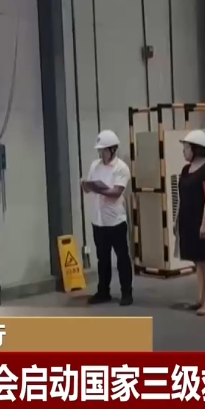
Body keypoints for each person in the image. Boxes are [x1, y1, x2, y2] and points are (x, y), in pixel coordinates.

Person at [82, 130, 133, 306]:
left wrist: (98, 189)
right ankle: (103, 291)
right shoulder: (94, 166)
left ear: (112, 149)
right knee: (102, 258)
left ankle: (127, 292)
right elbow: (88, 188)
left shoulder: (121, 168)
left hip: (115, 221)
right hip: (98, 220)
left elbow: (117, 192)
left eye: (103, 150)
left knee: (122, 258)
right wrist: (86, 185)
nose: (101, 153)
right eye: (100, 150)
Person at [175, 130, 205, 317]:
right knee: (198, 262)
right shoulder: (185, 170)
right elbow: (183, 198)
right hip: (188, 220)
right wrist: (177, 220)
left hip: (204, 221)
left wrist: (204, 224)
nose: (184, 151)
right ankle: (201, 298)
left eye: (186, 148)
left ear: (196, 149)